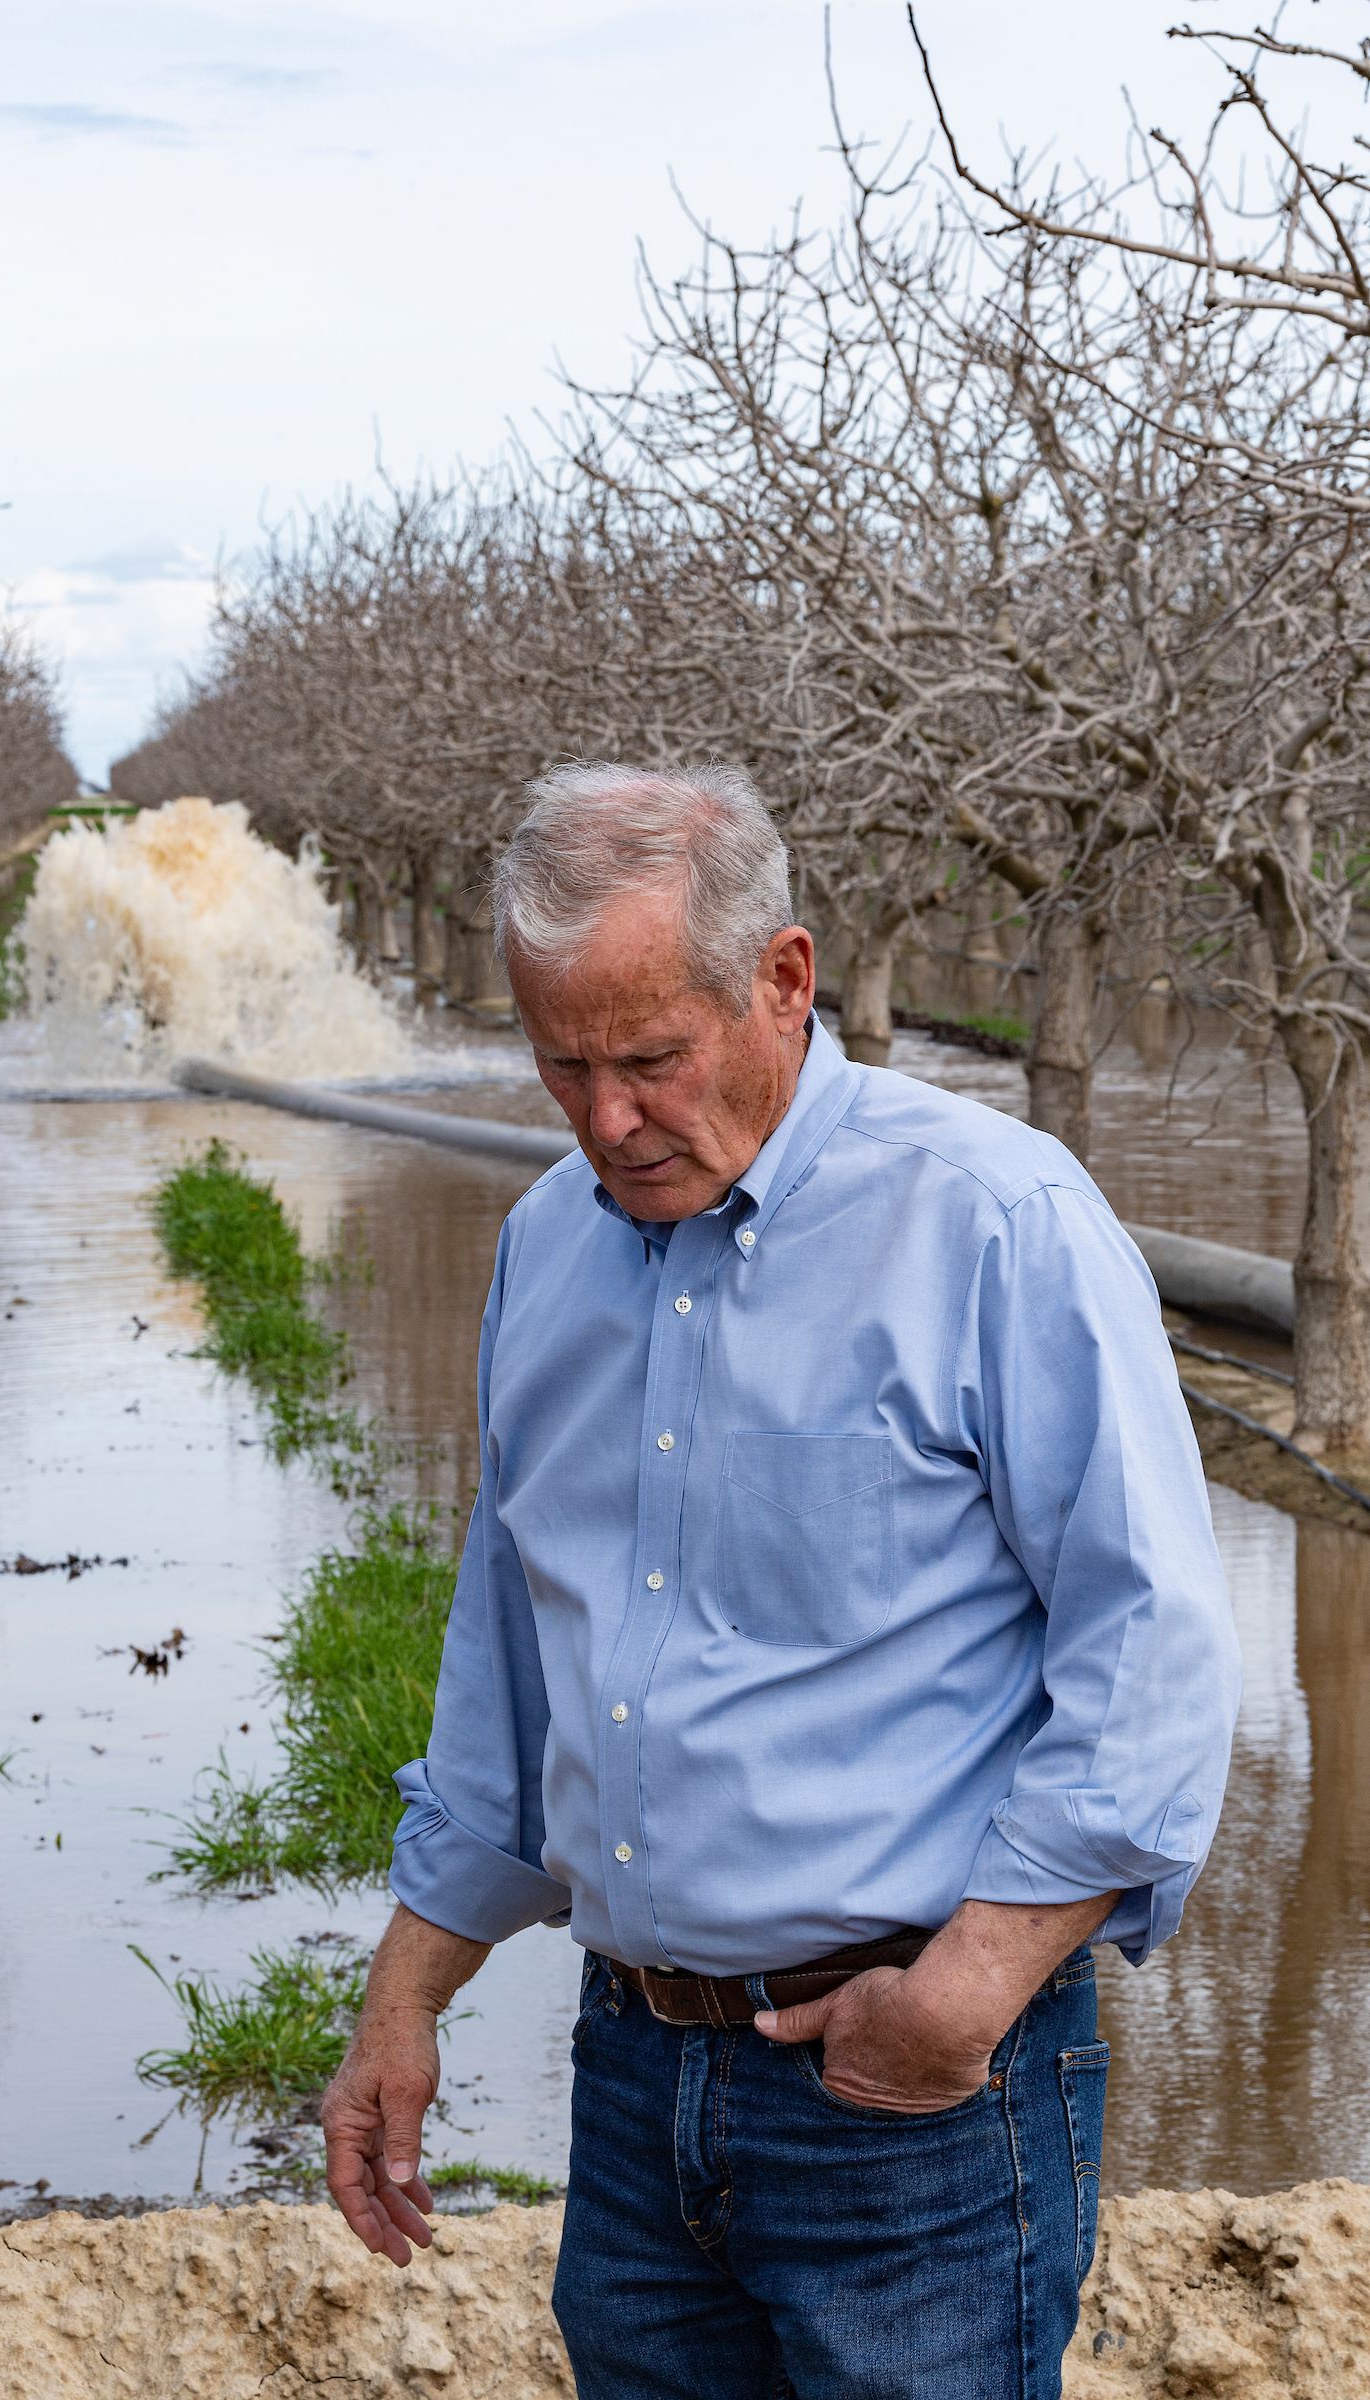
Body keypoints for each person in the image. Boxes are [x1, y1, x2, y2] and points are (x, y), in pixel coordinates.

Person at [321, 762, 1241, 2400]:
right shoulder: (546, 1246)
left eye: (652, 1062)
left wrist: (960, 1996)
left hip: (907, 2100)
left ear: (783, 982)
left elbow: (1153, 1647)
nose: (608, 1120)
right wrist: (401, 2002)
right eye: (561, 1067)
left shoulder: (991, 1223)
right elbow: (512, 1677)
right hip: (632, 2083)